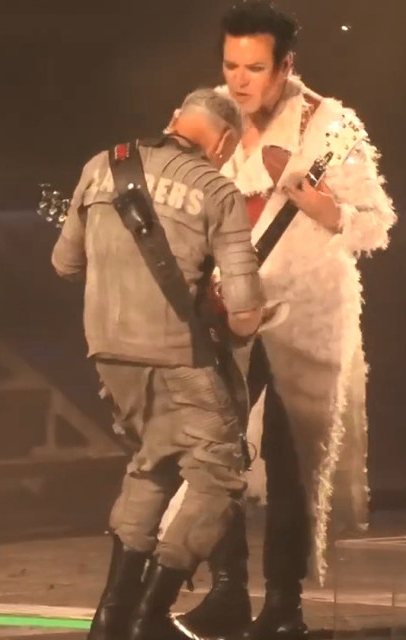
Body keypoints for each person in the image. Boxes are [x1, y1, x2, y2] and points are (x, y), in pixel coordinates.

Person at [177, 3, 397, 640]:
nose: (239, 80)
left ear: (285, 66)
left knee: (291, 455)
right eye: (231, 65)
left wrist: (327, 210)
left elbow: (376, 222)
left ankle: (282, 603)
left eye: (255, 68)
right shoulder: (210, 113)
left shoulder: (329, 126)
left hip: (305, 314)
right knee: (216, 450)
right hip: (227, 308)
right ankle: (225, 591)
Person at [51, 88, 264, 640]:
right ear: (224, 141)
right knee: (219, 476)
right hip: (176, 356)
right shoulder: (217, 189)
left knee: (153, 465)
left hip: (108, 351)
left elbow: (65, 264)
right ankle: (150, 616)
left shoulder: (102, 165)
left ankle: (111, 618)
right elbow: (244, 316)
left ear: (175, 119)